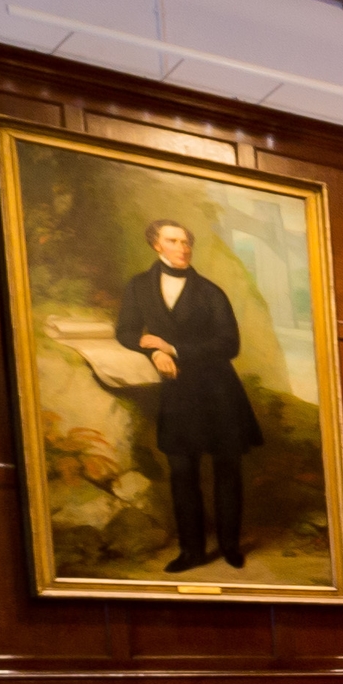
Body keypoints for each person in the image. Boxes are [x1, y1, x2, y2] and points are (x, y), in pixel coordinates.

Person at [114, 219, 261, 572]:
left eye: (186, 242)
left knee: (227, 470)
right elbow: (127, 331)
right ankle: (191, 551)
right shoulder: (139, 286)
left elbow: (230, 344)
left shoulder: (211, 292)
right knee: (182, 472)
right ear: (156, 245)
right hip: (179, 395)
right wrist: (155, 353)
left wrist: (174, 347)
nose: (182, 247)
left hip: (219, 391)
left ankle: (229, 546)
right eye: (173, 240)